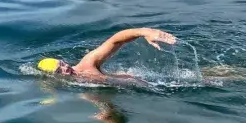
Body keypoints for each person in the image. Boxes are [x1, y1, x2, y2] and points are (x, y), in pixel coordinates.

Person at [37, 27, 177, 83]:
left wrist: (144, 32)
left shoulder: (87, 63)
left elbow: (116, 40)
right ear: (53, 76)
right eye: (58, 70)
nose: (65, 68)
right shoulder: (78, 85)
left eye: (62, 64)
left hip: (151, 82)